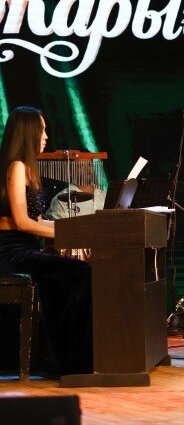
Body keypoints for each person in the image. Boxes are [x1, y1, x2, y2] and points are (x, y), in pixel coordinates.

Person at [0, 106, 93, 375]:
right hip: (11, 251)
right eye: (42, 130)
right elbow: (22, 222)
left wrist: (79, 227)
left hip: (27, 248)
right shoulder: (16, 166)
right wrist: (69, 233)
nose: (46, 137)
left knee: (76, 271)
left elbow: (39, 221)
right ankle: (71, 360)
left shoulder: (28, 168)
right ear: (28, 132)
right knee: (79, 272)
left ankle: (60, 356)